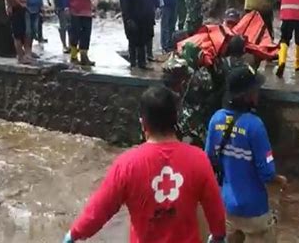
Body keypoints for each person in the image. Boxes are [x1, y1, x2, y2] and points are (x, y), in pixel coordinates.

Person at [62, 86, 226, 243]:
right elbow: (215, 208)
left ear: (143, 123)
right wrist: (218, 235)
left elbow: (100, 209)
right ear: (176, 119)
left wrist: (74, 233)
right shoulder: (198, 159)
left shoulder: (127, 164)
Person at [205, 65, 287, 243]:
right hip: (254, 210)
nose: (258, 93)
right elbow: (266, 173)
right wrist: (280, 180)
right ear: (246, 95)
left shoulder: (216, 119)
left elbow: (209, 160)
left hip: (226, 205)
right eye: (255, 90)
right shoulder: (255, 125)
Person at [119, 0, 156, 69]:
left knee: (143, 40)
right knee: (133, 40)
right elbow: (124, 3)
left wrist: (152, 14)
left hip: (144, 17)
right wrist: (128, 19)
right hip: (132, 17)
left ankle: (142, 63)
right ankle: (133, 64)